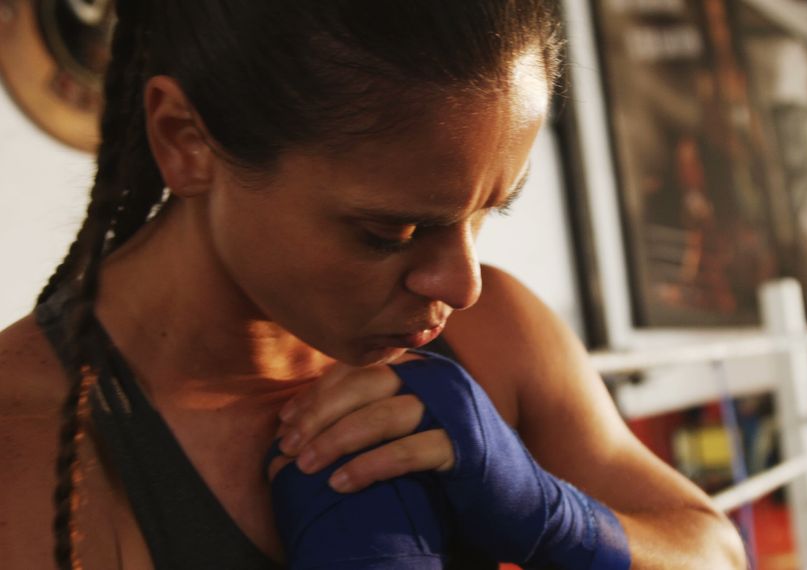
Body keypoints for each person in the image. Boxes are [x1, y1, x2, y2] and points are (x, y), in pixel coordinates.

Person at [0, 1, 747, 568]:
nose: (462, 284)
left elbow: (716, 549)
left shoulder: (496, 337)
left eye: (491, 210)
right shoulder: (35, 455)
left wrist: (555, 516)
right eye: (389, 232)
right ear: (186, 141)